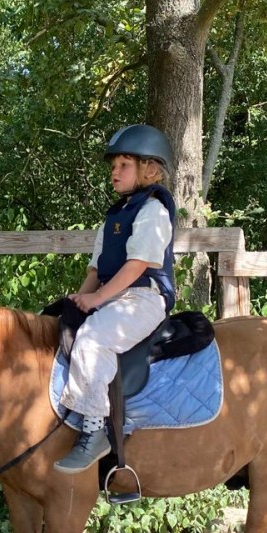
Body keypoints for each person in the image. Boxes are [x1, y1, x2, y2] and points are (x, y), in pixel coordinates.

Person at [54, 124, 177, 474]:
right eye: (113, 166)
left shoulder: (153, 210)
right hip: (113, 296)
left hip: (142, 299)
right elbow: (96, 268)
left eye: (124, 165)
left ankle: (94, 431)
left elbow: (137, 265)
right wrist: (80, 298)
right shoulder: (114, 216)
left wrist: (97, 299)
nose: (115, 172)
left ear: (149, 169)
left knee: (93, 340)